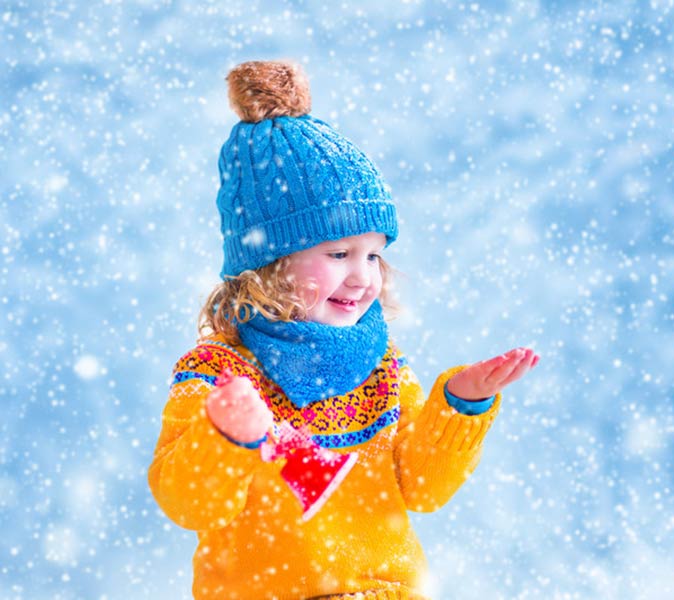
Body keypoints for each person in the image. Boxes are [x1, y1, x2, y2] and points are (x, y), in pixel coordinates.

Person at [148, 59, 539, 600]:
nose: (363, 276)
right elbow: (189, 503)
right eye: (338, 253)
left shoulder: (377, 363)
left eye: (375, 255)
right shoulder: (219, 373)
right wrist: (226, 436)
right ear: (268, 263)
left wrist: (460, 405)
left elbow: (420, 487)